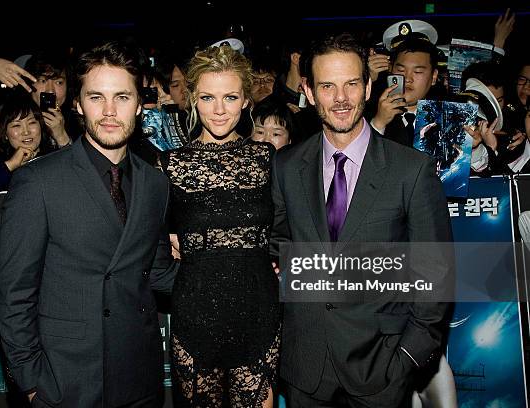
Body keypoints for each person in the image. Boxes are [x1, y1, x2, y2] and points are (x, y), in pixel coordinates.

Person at [271, 34, 454, 407]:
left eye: (351, 84)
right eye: (327, 86)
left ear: (369, 86)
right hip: (306, 369)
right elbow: (277, 246)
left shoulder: (411, 170)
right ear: (308, 89)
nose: (341, 99)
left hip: (382, 370)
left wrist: (407, 359)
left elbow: (436, 276)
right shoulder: (286, 167)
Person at [0, 41, 177, 408]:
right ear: (78, 104)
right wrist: (32, 382)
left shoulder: (155, 183)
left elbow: (157, 273)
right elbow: (15, 295)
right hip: (67, 381)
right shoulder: (38, 181)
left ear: (140, 104)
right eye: (97, 97)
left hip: (139, 377)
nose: (110, 111)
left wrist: (230, 265)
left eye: (122, 97)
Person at [158, 44, 280, 407]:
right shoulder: (169, 165)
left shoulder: (267, 159)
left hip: (258, 308)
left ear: (245, 100)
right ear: (194, 98)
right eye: (208, 97)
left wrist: (280, 258)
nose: (219, 109)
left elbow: (291, 226)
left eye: (230, 97)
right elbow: (144, 239)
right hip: (195, 311)